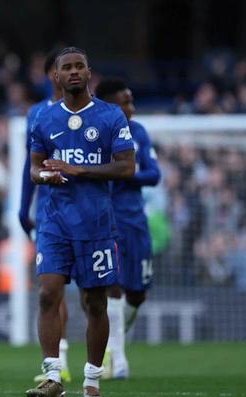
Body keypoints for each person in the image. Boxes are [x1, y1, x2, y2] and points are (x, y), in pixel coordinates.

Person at [25, 47, 135, 397]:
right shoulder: (44, 118)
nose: (73, 72)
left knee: (95, 302)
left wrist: (78, 170)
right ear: (56, 77)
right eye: (66, 68)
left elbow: (126, 167)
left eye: (79, 67)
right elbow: (34, 167)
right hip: (55, 222)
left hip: (96, 224)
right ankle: (52, 376)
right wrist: (44, 176)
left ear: (89, 74)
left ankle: (92, 379)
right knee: (47, 293)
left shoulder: (110, 116)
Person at [95, 78, 161, 380]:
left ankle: (113, 341)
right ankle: (117, 360)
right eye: (126, 102)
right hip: (107, 219)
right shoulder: (96, 133)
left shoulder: (139, 132)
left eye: (131, 101)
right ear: (110, 106)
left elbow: (153, 174)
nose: (131, 108)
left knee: (137, 295)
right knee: (114, 285)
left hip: (135, 222)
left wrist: (124, 171)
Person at [18, 47, 71, 385]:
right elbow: (31, 163)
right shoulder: (37, 113)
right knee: (52, 285)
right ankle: (59, 358)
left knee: (93, 293)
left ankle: (109, 355)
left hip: (84, 210)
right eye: (64, 68)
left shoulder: (92, 112)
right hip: (49, 211)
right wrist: (23, 207)